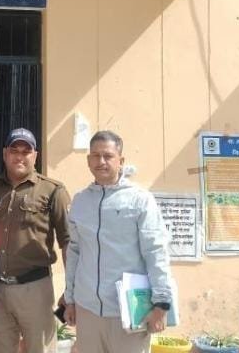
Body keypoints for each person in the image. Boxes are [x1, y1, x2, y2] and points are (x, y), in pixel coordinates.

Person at [63, 130, 174, 353]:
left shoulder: (140, 200)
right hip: (88, 309)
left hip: (130, 310)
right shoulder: (80, 201)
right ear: (88, 160)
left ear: (121, 161)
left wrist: (161, 303)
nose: (101, 161)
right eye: (95, 156)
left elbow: (156, 251)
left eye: (108, 156)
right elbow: (74, 251)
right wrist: (70, 299)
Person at [0, 127, 71, 353]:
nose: (20, 156)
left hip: (35, 288)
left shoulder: (53, 190)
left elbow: (68, 241)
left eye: (26, 152)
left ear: (35, 156)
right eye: (14, 151)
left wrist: (71, 288)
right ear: (4, 154)